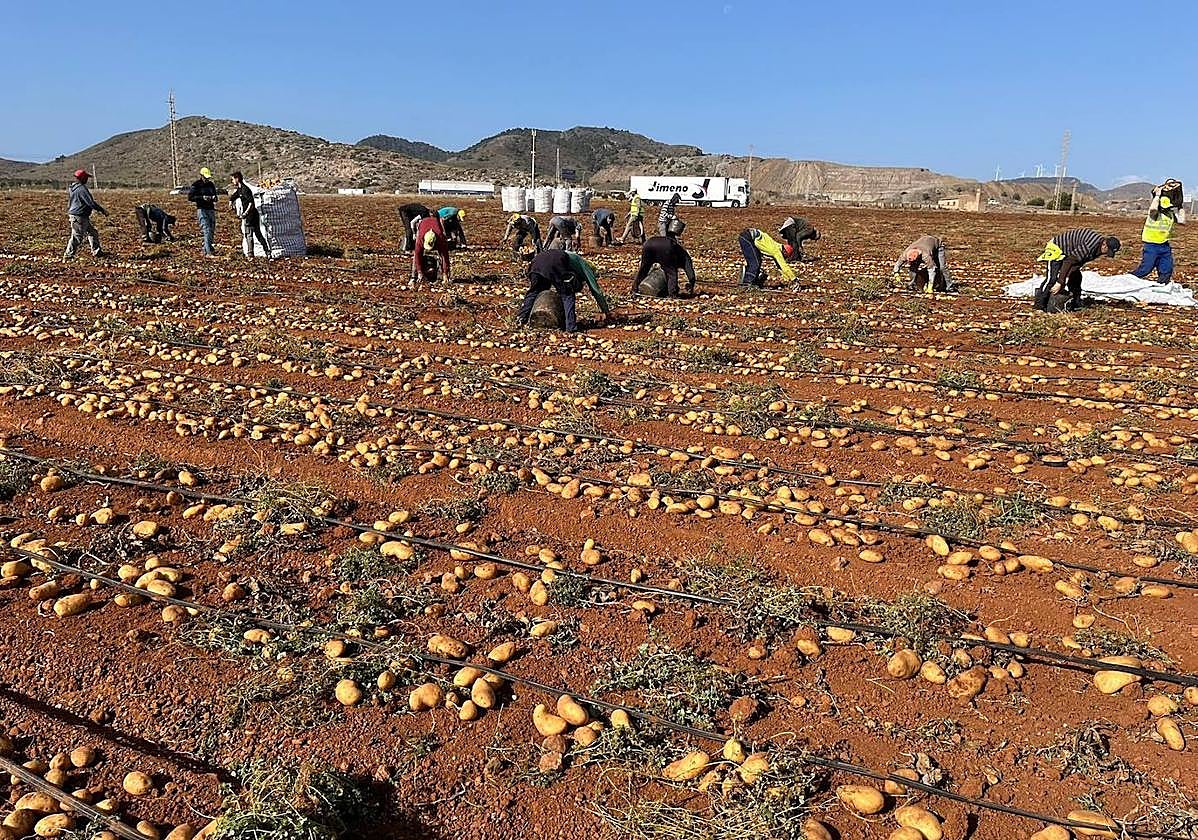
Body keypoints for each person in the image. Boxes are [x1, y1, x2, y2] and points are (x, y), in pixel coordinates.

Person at [515, 248, 610, 333]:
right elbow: (596, 290)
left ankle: (521, 319)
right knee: (567, 294)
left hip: (536, 263)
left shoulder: (572, 257)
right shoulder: (586, 266)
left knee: (535, 292)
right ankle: (571, 327)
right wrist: (606, 311)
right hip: (555, 264)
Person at [1034, 228, 1121, 312]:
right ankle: (1039, 305)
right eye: (1107, 250)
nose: (1106, 253)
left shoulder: (1098, 250)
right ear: (1104, 244)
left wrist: (1067, 278)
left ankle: (1075, 303)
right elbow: (1069, 261)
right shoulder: (1090, 245)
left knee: (1076, 277)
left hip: (1069, 254)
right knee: (1052, 279)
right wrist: (1060, 281)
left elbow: (1077, 263)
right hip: (1057, 248)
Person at [1131, 182, 1186, 284]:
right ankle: (1127, 280)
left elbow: (1182, 221)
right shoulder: (1155, 213)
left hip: (1164, 245)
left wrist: (1180, 205)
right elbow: (1152, 209)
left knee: (1166, 270)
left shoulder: (1170, 214)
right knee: (1145, 269)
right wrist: (1157, 196)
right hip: (1151, 245)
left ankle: (1161, 288)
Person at [629, 233, 697, 298]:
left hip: (649, 243)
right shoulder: (685, 257)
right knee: (671, 273)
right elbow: (690, 273)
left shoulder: (678, 251)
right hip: (665, 247)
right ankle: (672, 295)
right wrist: (692, 283)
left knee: (643, 270)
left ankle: (634, 290)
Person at [63, 169, 108, 261]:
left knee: (92, 233)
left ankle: (97, 252)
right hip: (79, 216)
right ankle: (68, 255)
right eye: (86, 177)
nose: (87, 179)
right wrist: (102, 210)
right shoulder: (81, 189)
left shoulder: (73, 187)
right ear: (82, 178)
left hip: (79, 215)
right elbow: (90, 203)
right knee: (77, 236)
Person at [228, 172, 271, 260]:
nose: (232, 181)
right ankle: (267, 252)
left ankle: (250, 255)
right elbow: (234, 196)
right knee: (258, 234)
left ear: (237, 179)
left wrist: (245, 213)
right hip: (252, 215)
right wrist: (230, 201)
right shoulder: (240, 189)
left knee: (249, 234)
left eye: (232, 179)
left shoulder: (245, 189)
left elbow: (251, 203)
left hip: (251, 215)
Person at [187, 167, 219, 256]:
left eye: (208, 178)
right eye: (205, 177)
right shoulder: (196, 185)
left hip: (211, 209)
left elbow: (215, 196)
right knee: (206, 229)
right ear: (201, 176)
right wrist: (202, 198)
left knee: (211, 230)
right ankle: (209, 252)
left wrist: (214, 198)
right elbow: (190, 197)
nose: (207, 179)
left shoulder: (211, 185)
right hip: (202, 209)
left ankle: (206, 250)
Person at [412, 214, 451, 283]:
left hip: (437, 226)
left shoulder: (440, 238)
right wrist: (419, 272)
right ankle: (414, 277)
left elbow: (445, 256)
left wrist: (445, 273)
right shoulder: (420, 239)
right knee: (416, 254)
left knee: (442, 253)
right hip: (422, 224)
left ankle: (443, 275)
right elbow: (417, 255)